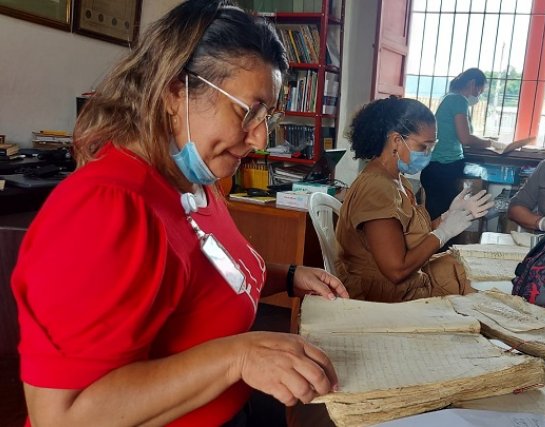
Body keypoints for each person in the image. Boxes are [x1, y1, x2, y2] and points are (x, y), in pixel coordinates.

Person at [11, 2, 349, 426]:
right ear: (175, 92)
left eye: (268, 116)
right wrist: (236, 358)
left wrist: (287, 275)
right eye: (248, 112)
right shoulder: (107, 210)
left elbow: (202, 274)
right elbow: (62, 417)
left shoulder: (196, 182)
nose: (261, 138)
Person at [335, 97, 494, 302]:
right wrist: (443, 233)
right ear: (396, 141)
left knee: (469, 271)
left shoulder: (398, 180)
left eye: (431, 146)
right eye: (423, 147)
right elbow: (396, 270)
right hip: (380, 296)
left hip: (403, 283)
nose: (428, 154)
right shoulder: (377, 189)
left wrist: (448, 217)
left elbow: (411, 237)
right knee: (474, 291)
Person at [420, 68, 500, 220]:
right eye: (479, 91)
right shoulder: (458, 100)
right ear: (472, 84)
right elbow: (465, 138)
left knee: (440, 217)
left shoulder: (451, 98)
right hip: (443, 168)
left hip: (437, 167)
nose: (478, 96)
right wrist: (490, 143)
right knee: (446, 219)